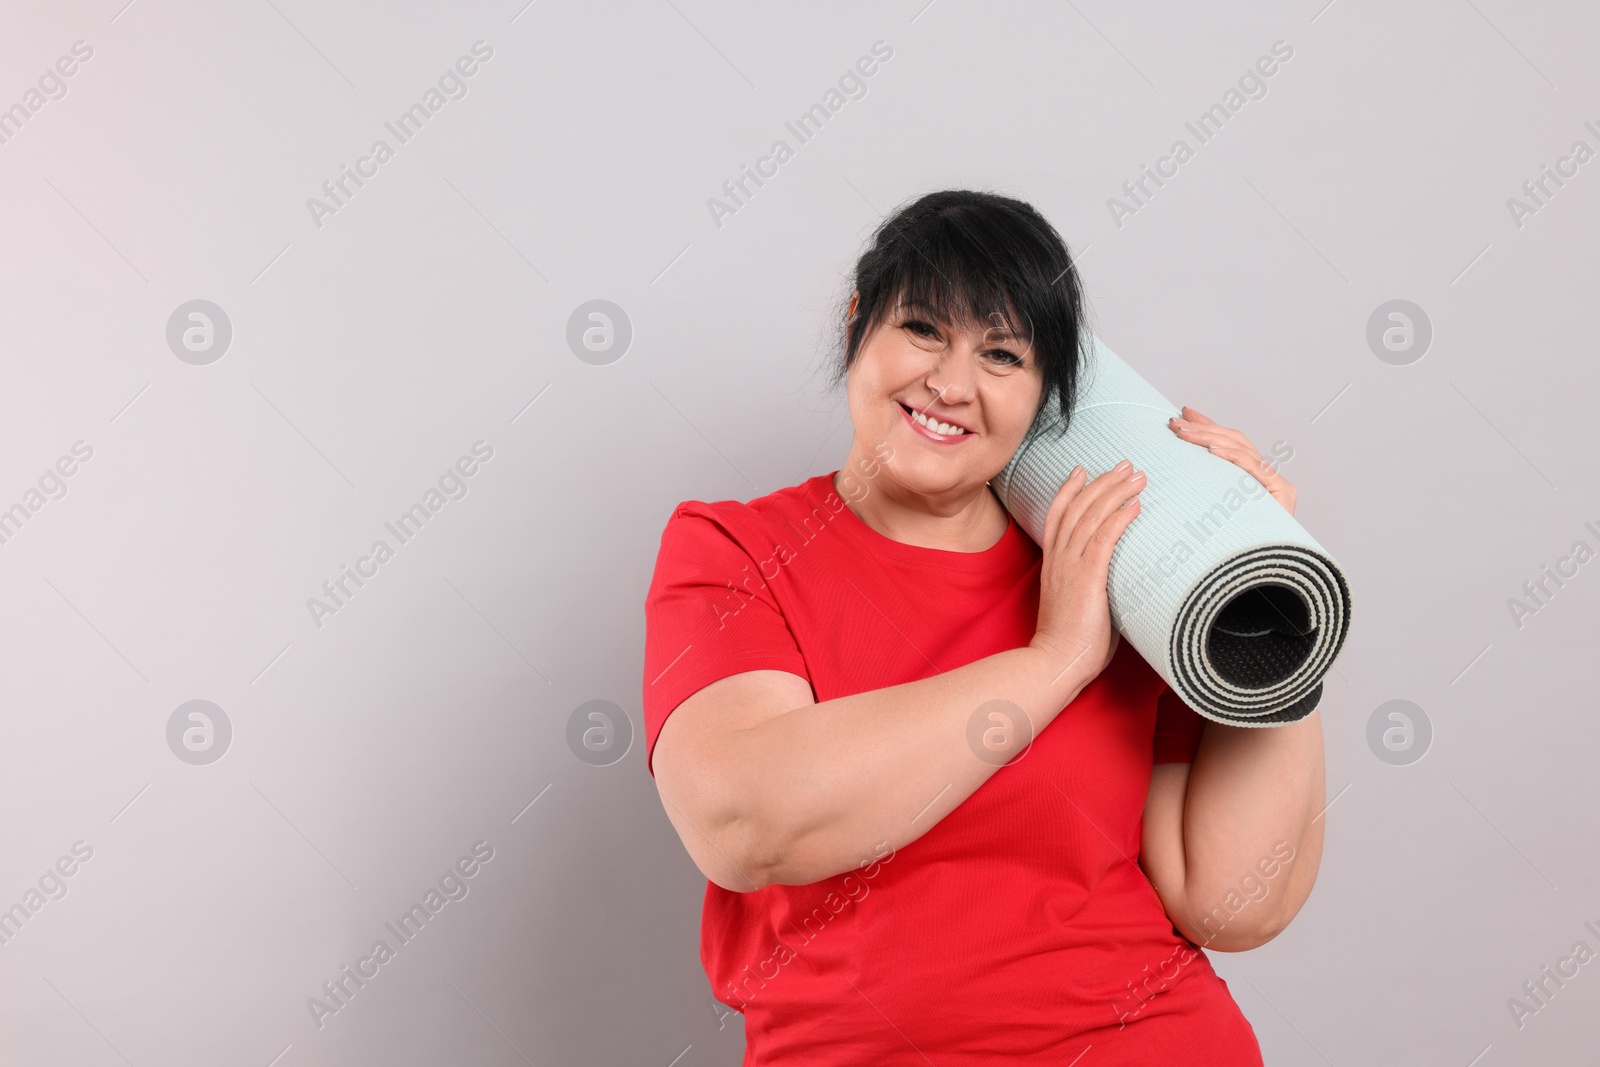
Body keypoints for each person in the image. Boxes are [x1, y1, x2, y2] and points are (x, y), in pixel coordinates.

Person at [640, 188, 1324, 1065]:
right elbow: (745, 823)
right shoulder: (735, 547)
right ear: (858, 322)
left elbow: (1234, 901)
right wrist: (1056, 659)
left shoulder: (1114, 568)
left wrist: (1271, 612)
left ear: (1046, 395)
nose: (952, 384)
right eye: (923, 329)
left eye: (1003, 354)